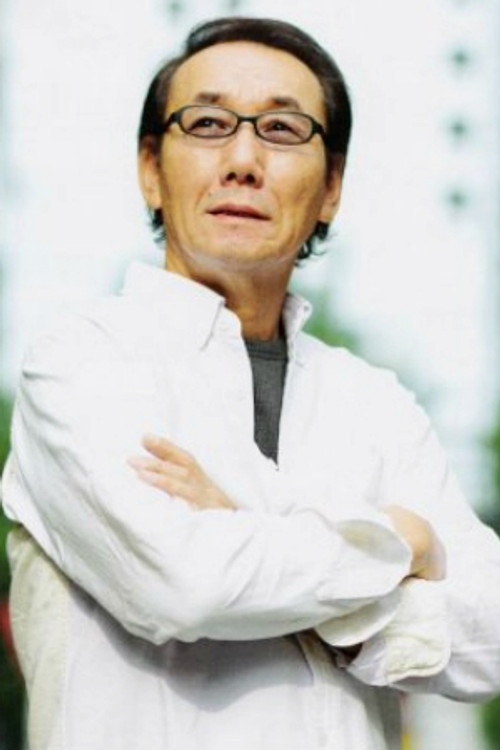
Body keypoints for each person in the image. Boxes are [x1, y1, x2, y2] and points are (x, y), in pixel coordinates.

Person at [2, 16, 500, 750]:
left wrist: (247, 524)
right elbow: (186, 587)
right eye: (207, 123)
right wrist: (401, 539)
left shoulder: (379, 406)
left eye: (281, 129)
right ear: (151, 170)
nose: (242, 159)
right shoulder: (81, 364)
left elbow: (488, 636)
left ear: (331, 188)